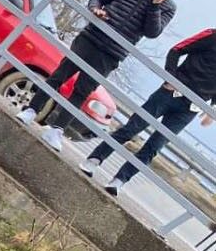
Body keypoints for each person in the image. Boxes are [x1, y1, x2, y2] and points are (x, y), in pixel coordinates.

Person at [21, 0, 178, 149]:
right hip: (90, 38)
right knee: (59, 75)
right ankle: (31, 110)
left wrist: (155, 6)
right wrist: (95, 9)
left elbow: (152, 32)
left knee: (82, 91)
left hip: (112, 53)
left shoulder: (168, 7)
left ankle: (57, 130)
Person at [80, 28, 216, 197]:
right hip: (170, 93)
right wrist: (170, 78)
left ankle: (119, 180)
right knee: (131, 129)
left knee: (154, 146)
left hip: (190, 110)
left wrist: (212, 110)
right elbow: (176, 50)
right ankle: (94, 160)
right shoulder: (212, 35)